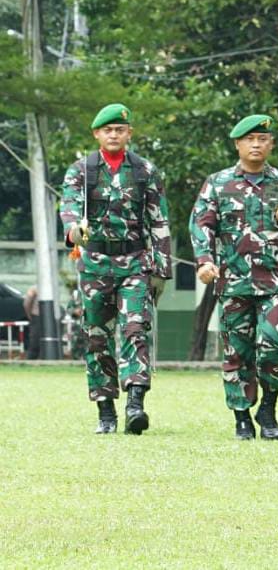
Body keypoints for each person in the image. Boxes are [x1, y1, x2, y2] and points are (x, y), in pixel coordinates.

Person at [190, 114, 278, 440]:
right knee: (237, 352)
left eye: (262, 139)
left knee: (273, 344)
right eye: (250, 139)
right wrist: (205, 261)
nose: (256, 144)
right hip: (233, 281)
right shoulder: (218, 183)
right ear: (238, 144)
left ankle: (268, 409)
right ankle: (242, 416)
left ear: (271, 144)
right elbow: (201, 224)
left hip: (275, 280)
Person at [59, 103, 172, 435]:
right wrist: (73, 230)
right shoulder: (81, 170)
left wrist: (161, 271)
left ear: (129, 134)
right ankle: (105, 409)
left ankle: (135, 404)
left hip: (135, 262)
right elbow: (69, 207)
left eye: (119, 130)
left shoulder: (145, 171)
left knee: (136, 330)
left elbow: (159, 221)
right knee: (97, 337)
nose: (113, 135)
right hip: (95, 264)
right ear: (97, 134)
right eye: (107, 130)